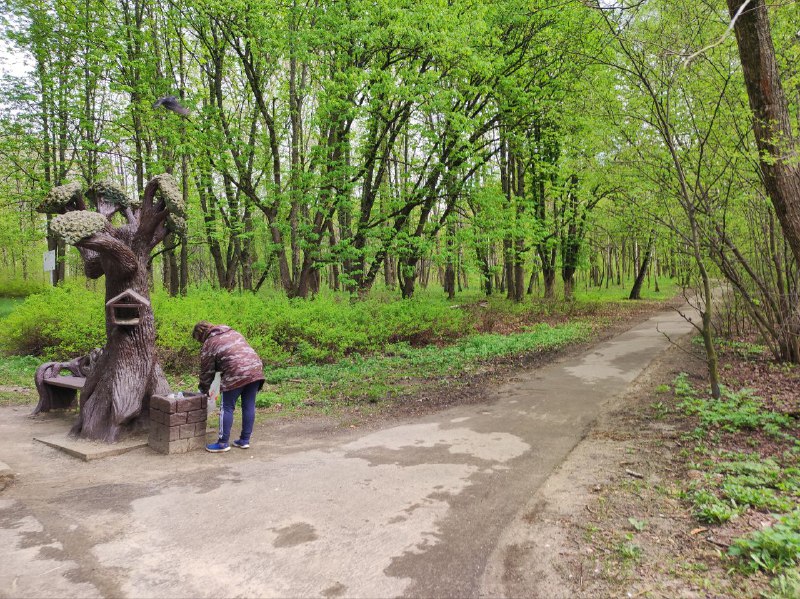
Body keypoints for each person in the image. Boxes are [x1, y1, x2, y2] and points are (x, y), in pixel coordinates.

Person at [193, 321, 265, 453]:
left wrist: (203, 390)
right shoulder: (233, 332)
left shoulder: (210, 343)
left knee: (227, 407)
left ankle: (222, 443)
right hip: (255, 370)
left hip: (235, 373)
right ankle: (244, 440)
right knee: (249, 405)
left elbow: (206, 371)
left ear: (200, 335)